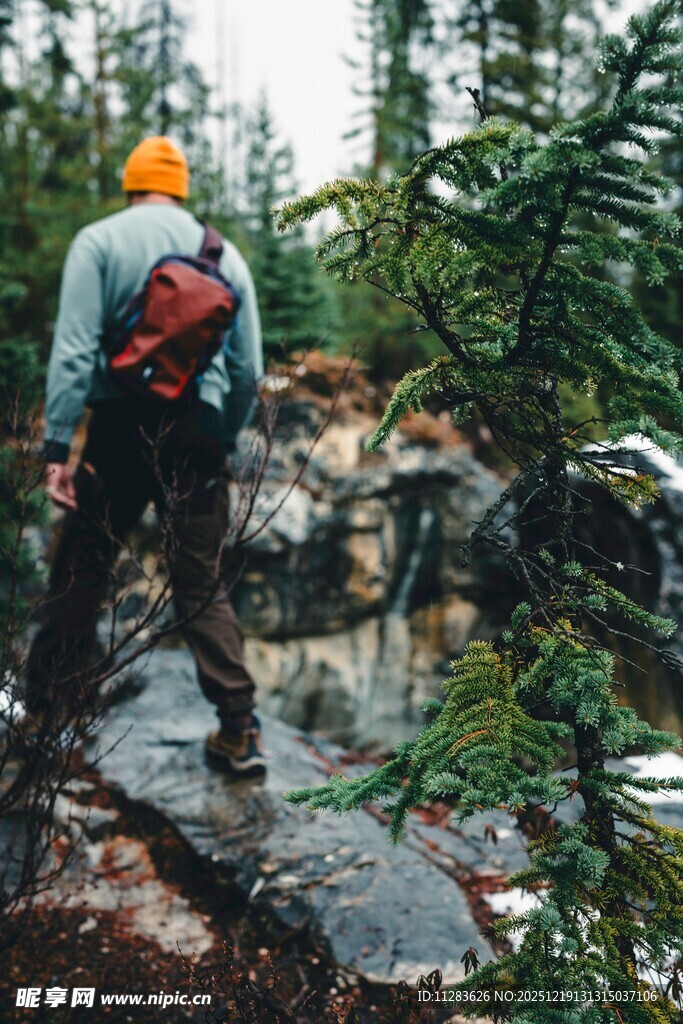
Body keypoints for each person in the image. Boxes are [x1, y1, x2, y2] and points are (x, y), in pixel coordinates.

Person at [25, 136, 266, 776]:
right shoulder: (225, 255)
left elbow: (73, 350)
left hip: (119, 427)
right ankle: (239, 730)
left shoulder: (98, 242)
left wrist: (57, 446)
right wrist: (224, 436)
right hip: (199, 432)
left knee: (83, 567)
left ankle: (48, 716)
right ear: (181, 187)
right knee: (200, 581)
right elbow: (249, 371)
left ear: (131, 184)